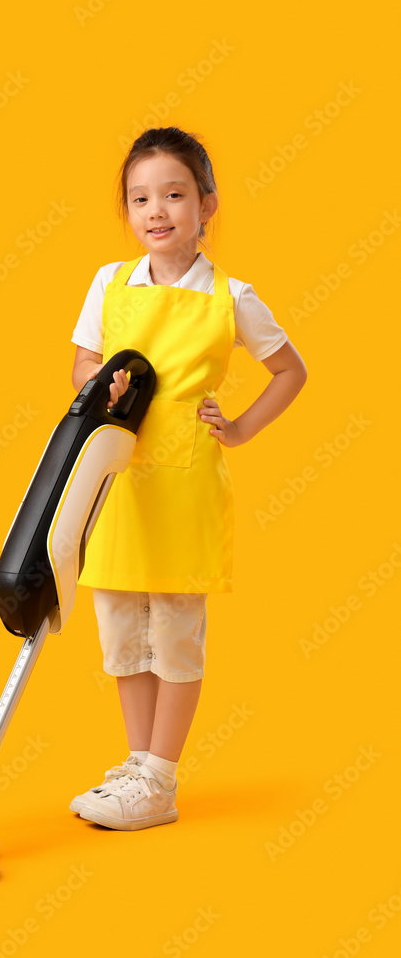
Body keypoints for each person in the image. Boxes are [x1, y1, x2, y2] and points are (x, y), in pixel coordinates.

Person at [69, 126, 307, 831]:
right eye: (140, 197)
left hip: (184, 485)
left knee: (172, 633)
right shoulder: (108, 283)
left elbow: (289, 370)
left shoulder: (230, 297)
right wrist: (99, 384)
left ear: (206, 204)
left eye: (173, 193)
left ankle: (161, 779)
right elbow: (83, 363)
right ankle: (134, 769)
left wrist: (237, 428)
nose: (156, 210)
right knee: (120, 633)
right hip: (116, 482)